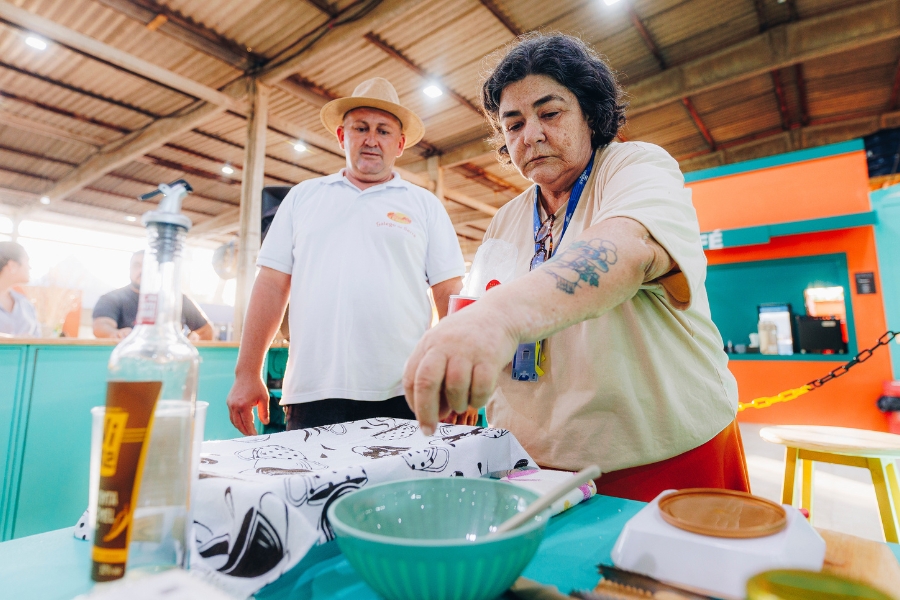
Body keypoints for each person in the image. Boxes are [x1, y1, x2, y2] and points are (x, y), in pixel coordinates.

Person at [402, 34, 749, 502]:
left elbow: (626, 250)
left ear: (590, 113)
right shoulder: (506, 218)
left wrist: (497, 318)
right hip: (534, 466)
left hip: (662, 458)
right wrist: (468, 374)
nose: (532, 134)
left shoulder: (633, 168)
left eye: (550, 113)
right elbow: (484, 302)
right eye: (514, 124)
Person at [226, 77, 466, 436]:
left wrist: (454, 376)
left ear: (399, 144)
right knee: (315, 493)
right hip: (312, 392)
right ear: (342, 136)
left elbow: (450, 292)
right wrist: (247, 373)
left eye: (383, 131)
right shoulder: (303, 198)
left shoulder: (424, 205)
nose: (371, 139)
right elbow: (271, 285)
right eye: (361, 128)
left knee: (398, 493)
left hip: (405, 391)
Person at [93, 250, 214, 340]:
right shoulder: (111, 298)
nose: (142, 270)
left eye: (147, 265)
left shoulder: (178, 299)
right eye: (136, 265)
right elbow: (101, 326)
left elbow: (207, 331)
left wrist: (192, 341)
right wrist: (116, 334)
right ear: (129, 269)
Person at [0, 241, 40, 337]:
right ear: (12, 265)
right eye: (27, 261)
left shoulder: (26, 305)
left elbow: (37, 341)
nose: (29, 267)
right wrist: (13, 339)